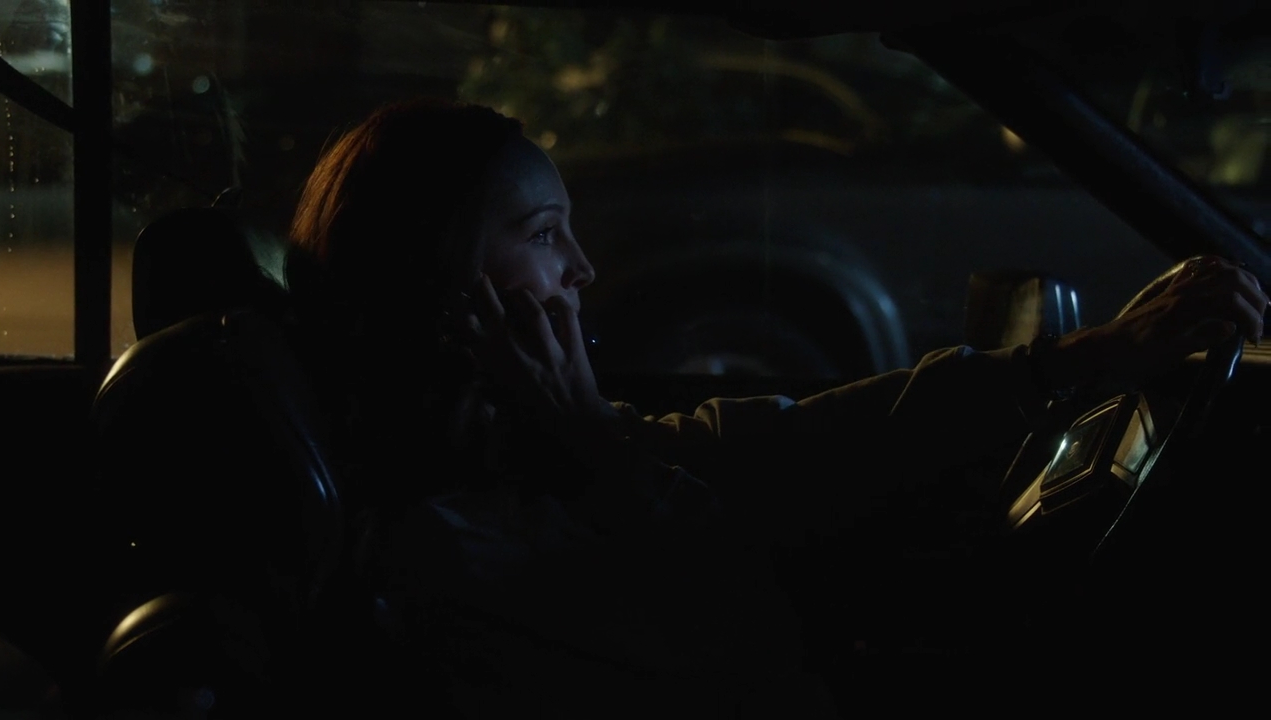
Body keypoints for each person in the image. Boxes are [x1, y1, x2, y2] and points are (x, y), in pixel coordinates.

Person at [282, 97, 1268, 716]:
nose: (581, 268)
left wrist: (1085, 357)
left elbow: (802, 441)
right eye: (544, 235)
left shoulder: (519, 458)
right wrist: (583, 435)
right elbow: (753, 664)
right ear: (440, 287)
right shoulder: (443, 544)